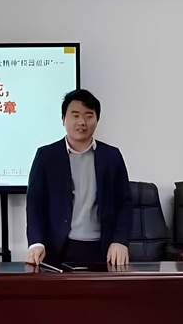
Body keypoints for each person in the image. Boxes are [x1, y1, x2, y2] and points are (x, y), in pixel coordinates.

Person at [26, 89, 132, 267]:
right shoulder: (46, 156)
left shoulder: (111, 156)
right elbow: (35, 204)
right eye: (75, 115)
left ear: (97, 120)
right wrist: (36, 242)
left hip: (104, 248)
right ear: (63, 119)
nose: (82, 122)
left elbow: (124, 203)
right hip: (58, 248)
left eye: (89, 116)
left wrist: (120, 240)